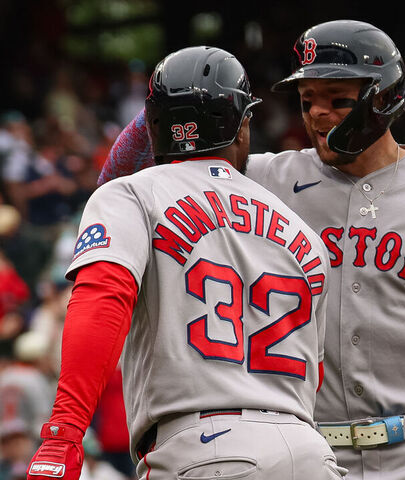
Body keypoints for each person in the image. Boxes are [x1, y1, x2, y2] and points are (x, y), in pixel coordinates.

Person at [98, 20, 405, 480]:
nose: (318, 113)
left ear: (385, 99)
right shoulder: (261, 180)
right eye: (307, 101)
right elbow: (124, 181)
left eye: (338, 99)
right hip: (309, 452)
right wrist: (173, 101)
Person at [26, 46, 342, 480]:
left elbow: (103, 298)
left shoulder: (132, 193)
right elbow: (316, 371)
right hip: (308, 450)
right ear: (241, 122)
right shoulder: (303, 231)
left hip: (205, 449)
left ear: (152, 124)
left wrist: (63, 433)